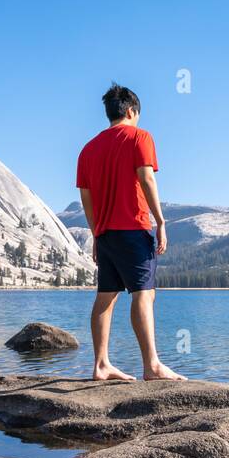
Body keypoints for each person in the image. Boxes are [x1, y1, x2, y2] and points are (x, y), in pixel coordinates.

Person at [75, 83, 185, 381]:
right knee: (144, 294)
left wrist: (96, 233)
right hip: (134, 227)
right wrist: (160, 221)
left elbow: (86, 197)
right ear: (132, 111)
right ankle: (151, 366)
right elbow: (146, 178)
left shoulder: (88, 150)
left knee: (105, 297)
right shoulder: (140, 137)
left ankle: (100, 365)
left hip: (106, 234)